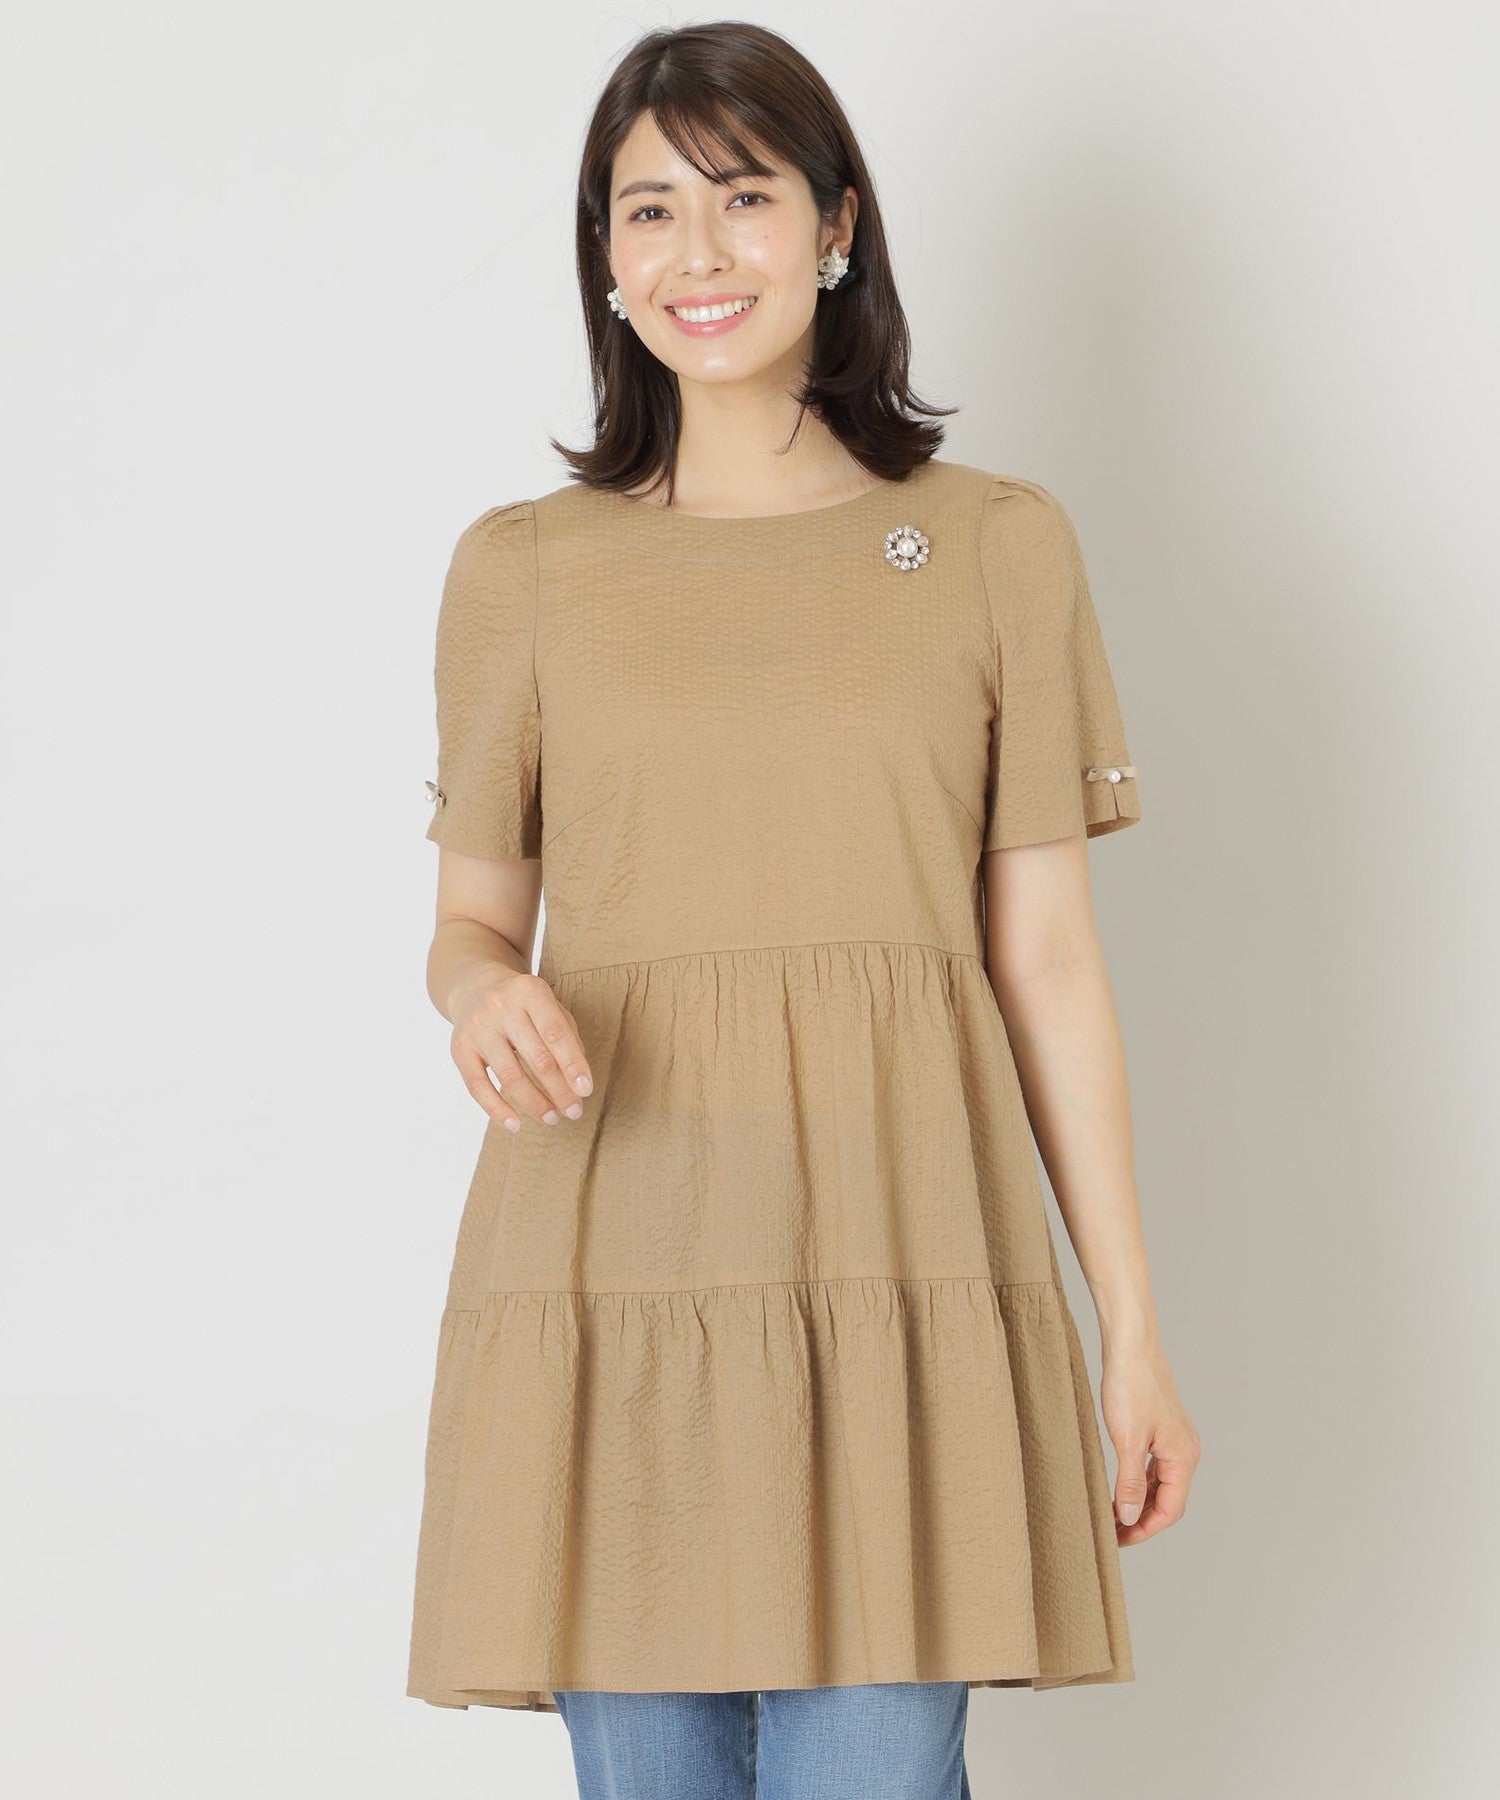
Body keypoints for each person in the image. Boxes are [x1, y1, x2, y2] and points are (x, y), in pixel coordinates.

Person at [404, 20, 1201, 1799]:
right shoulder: (523, 572)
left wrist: (1132, 1330)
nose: (698, 254)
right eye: (649, 211)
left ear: (836, 226)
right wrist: (476, 994)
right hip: (616, 1268)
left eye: (745, 199)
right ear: (606, 257)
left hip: (906, 1257)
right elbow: (469, 927)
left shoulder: (995, 546)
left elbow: (1048, 965)